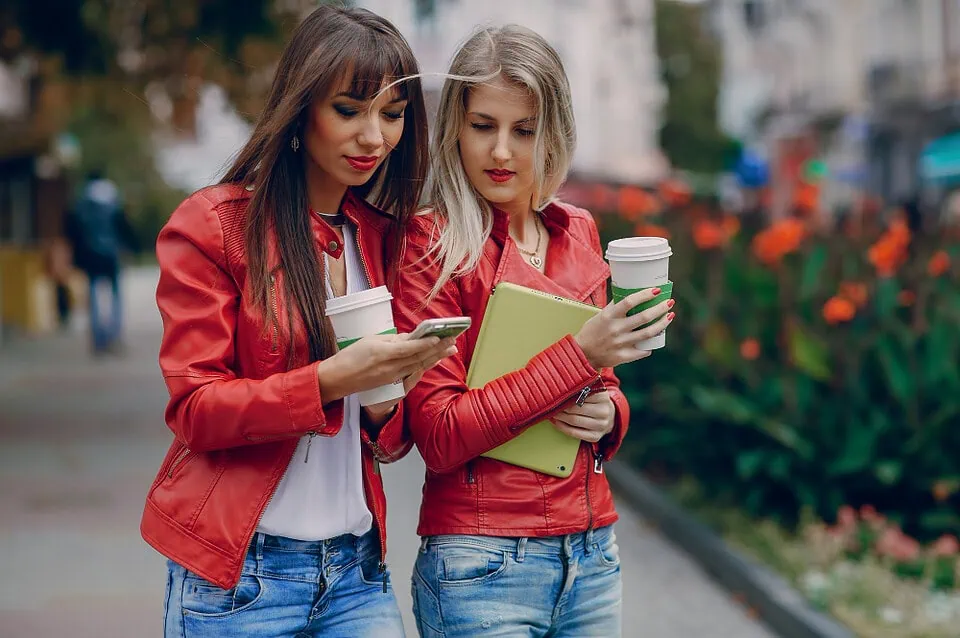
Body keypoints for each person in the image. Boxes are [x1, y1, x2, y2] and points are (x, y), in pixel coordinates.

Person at [140, 6, 456, 637]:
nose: (374, 137)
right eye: (349, 110)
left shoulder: (387, 240)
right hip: (240, 579)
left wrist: (385, 400)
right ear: (299, 108)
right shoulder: (215, 227)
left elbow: (390, 442)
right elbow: (196, 410)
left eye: (391, 115)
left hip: (355, 572)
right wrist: (329, 381)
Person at [393, 25, 675, 637]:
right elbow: (438, 435)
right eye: (483, 125)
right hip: (479, 561)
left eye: (524, 130)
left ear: (554, 134)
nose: (502, 151)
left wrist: (611, 417)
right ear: (455, 129)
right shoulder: (431, 246)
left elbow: (600, 386)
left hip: (592, 554)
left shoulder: (578, 232)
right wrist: (578, 355)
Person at [66, 170, 136, 353]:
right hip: (112, 254)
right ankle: (115, 337)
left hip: (90, 255)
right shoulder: (112, 198)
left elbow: (73, 230)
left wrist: (76, 257)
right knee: (116, 297)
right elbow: (124, 226)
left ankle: (98, 340)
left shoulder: (82, 202)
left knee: (94, 296)